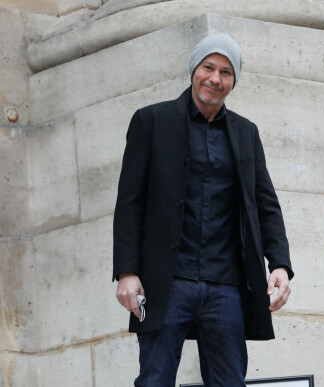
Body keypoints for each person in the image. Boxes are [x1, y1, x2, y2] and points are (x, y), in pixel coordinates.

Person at [112, 34, 293, 387]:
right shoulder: (151, 121)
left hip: (225, 284)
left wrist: (281, 264)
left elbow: (266, 204)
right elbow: (130, 202)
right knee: (154, 379)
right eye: (208, 68)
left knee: (229, 382)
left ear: (234, 81)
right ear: (194, 70)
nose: (215, 79)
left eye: (226, 72)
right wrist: (126, 271)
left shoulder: (246, 132)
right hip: (166, 281)